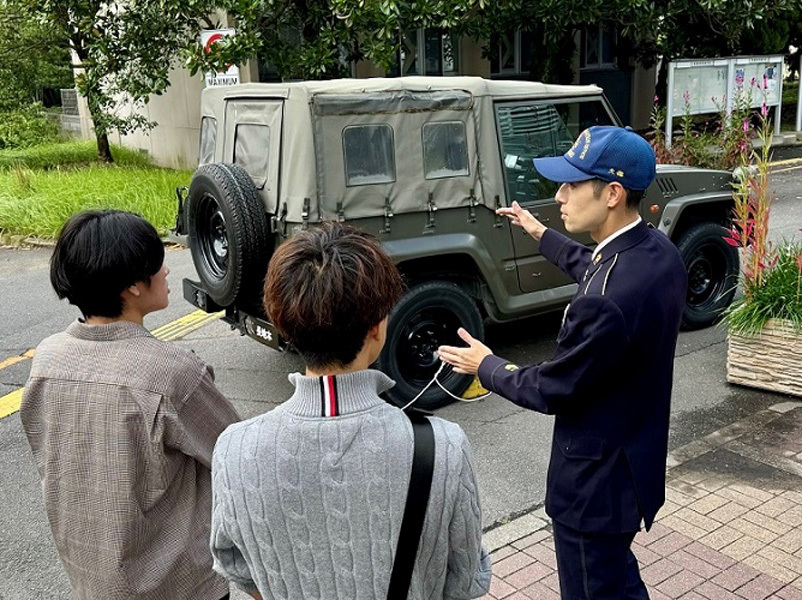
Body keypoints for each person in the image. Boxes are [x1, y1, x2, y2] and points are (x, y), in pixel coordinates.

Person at [438, 126, 687, 599]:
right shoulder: (657, 252)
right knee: (616, 579)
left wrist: (487, 364)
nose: (559, 195)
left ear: (612, 193)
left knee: (596, 590)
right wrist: (539, 232)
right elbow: (594, 265)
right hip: (632, 464)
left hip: (593, 489)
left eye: (572, 184)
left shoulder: (606, 300)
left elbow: (552, 386)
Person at [210, 222, 491, 600]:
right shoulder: (442, 445)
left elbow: (235, 566)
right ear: (377, 328)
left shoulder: (234, 449)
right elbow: (465, 581)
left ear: (283, 323)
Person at [20, 209, 240, 600]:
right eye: (157, 264)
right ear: (132, 286)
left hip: (91, 577)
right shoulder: (172, 374)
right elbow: (237, 453)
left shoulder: (47, 360)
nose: (167, 271)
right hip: (177, 584)